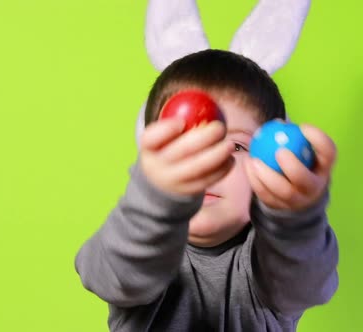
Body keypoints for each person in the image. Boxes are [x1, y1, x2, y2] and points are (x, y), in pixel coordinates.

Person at [75, 49, 339, 332]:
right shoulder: (136, 244)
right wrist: (157, 198)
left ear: (265, 163)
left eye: (237, 146)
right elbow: (107, 274)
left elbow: (308, 283)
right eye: (186, 144)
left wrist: (295, 218)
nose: (210, 166)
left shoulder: (273, 261)